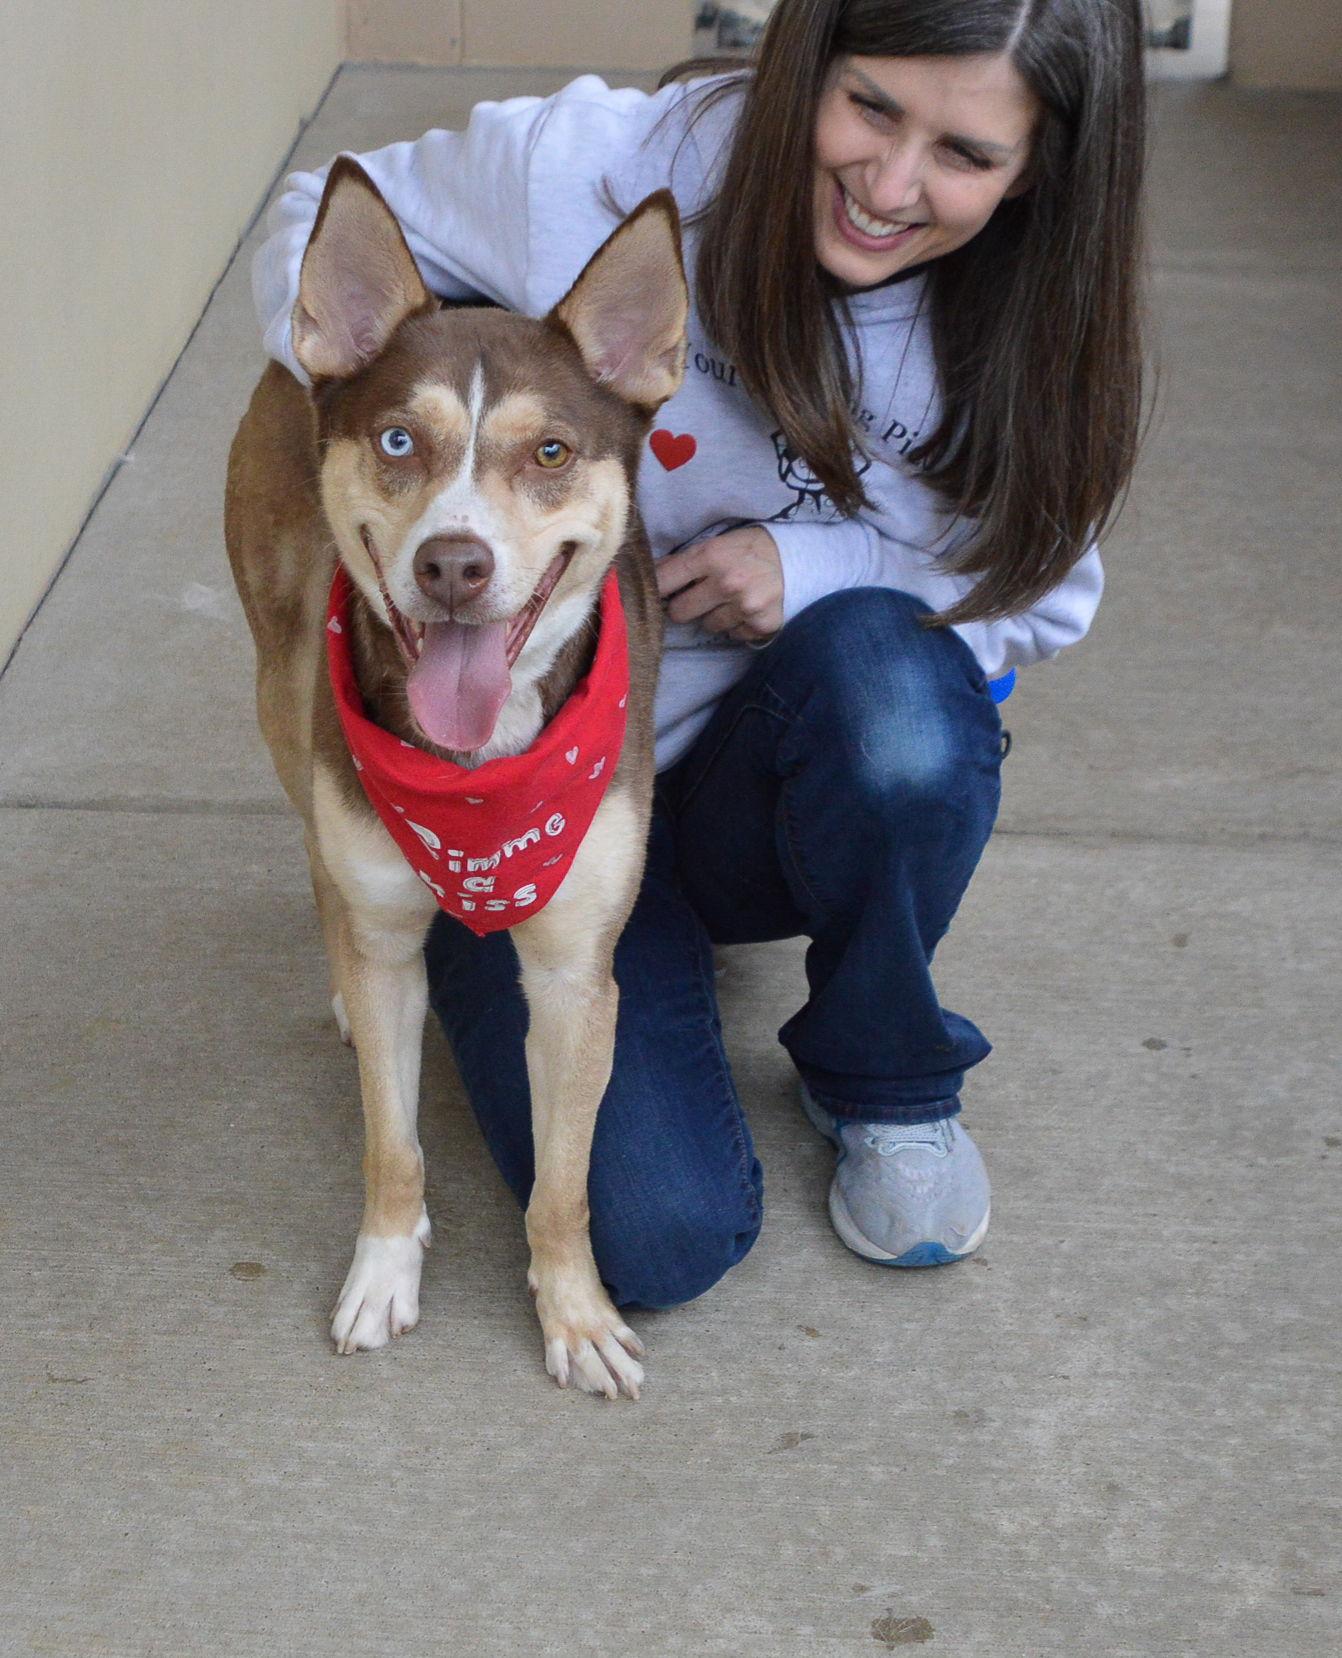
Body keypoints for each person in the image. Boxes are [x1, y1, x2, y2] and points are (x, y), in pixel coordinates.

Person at [253, 0, 1146, 1306]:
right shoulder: (594, 180)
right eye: (872, 108)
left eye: (964, 155)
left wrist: (817, 562)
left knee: (900, 696)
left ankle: (882, 1075)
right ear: (805, 66)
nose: (890, 186)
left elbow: (1045, 588)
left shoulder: (1010, 340)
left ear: (1034, 176)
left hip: (741, 778)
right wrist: (416, 430)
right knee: (660, 1235)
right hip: (502, 799)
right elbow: (316, 222)